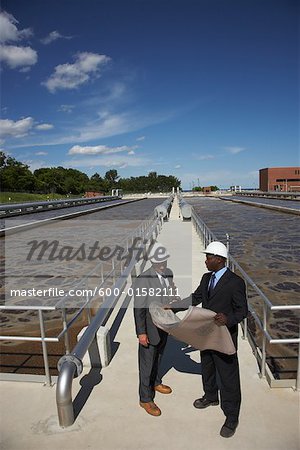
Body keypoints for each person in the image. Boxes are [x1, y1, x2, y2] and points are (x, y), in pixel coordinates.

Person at [170, 241, 248, 438]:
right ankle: (211, 396)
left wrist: (228, 319)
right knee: (208, 366)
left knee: (228, 375)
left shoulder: (235, 282)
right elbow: (195, 298)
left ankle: (231, 416)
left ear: (220, 260)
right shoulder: (206, 278)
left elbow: (242, 311)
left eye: (209, 257)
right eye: (206, 257)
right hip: (206, 333)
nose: (205, 261)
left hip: (224, 337)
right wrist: (173, 307)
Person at [133, 242, 177, 417]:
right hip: (149, 329)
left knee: (158, 357)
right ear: (152, 261)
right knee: (146, 364)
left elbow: (169, 292)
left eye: (164, 261)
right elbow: (139, 309)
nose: (162, 265)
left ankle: (156, 382)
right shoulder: (143, 279)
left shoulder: (168, 273)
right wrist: (141, 332)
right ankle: (145, 398)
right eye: (159, 262)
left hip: (163, 326)